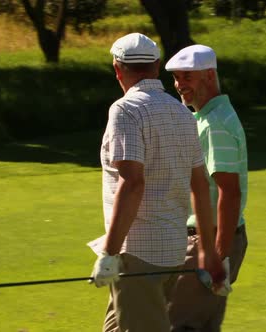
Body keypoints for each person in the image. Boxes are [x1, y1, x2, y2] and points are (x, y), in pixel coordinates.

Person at [87, 33, 225, 332]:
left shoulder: (125, 110)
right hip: (170, 251)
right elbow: (200, 185)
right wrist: (208, 250)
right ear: (157, 65)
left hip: (137, 255)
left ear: (117, 68)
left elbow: (133, 183)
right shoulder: (182, 112)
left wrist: (109, 254)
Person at [165, 44, 249, 332]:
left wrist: (218, 254)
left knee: (180, 325)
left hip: (209, 240)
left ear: (209, 75)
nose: (179, 86)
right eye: (176, 78)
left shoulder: (214, 123)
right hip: (212, 239)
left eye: (187, 77)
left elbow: (230, 191)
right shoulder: (209, 117)